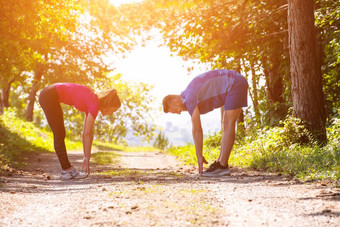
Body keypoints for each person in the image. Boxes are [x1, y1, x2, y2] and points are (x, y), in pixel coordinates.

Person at [162, 69, 248, 177]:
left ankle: (222, 166)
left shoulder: (189, 98)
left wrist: (199, 155)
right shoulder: (188, 95)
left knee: (228, 124)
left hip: (235, 83)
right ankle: (220, 163)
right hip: (233, 83)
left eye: (175, 111)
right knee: (226, 125)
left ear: (175, 102)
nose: (178, 113)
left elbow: (197, 128)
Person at [39, 83, 121, 179]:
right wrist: (87, 157)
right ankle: (66, 170)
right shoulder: (94, 104)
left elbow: (86, 132)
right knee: (59, 133)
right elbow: (88, 133)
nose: (111, 114)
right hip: (49, 95)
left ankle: (66, 169)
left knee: (60, 133)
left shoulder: (92, 101)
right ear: (108, 104)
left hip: (49, 93)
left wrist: (86, 157)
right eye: (113, 110)